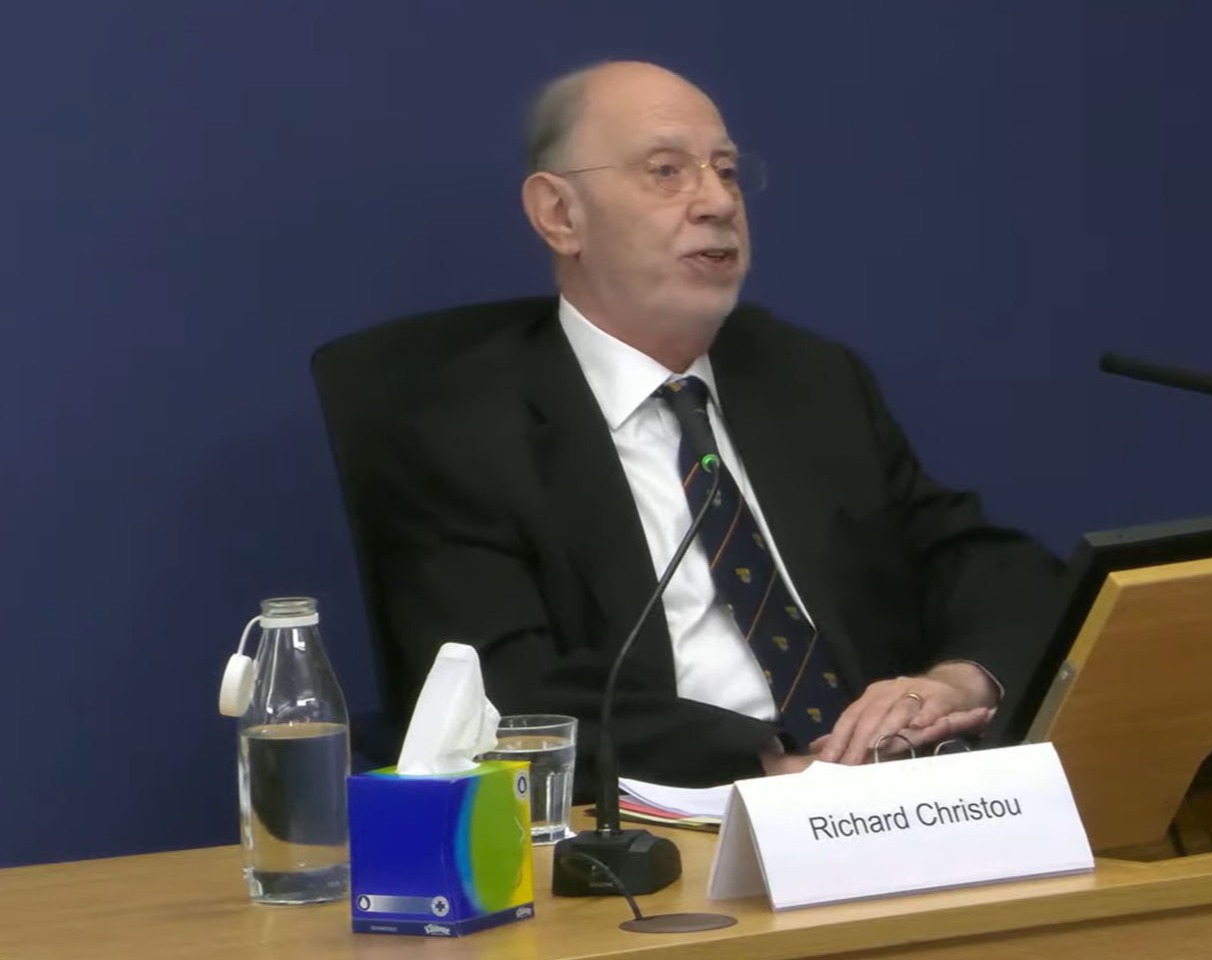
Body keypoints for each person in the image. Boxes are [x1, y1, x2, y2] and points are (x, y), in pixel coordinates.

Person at [318, 61, 1063, 794]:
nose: (716, 202)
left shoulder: (806, 379)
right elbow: (501, 690)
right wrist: (770, 766)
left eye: (727, 172)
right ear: (560, 215)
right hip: (671, 814)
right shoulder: (457, 427)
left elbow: (988, 567)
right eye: (666, 172)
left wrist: (955, 681)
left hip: (890, 795)